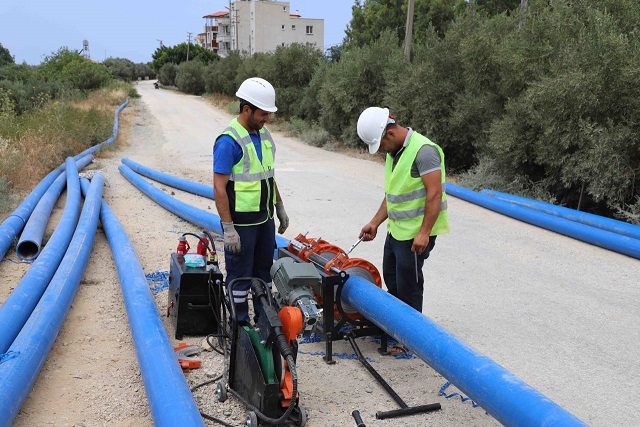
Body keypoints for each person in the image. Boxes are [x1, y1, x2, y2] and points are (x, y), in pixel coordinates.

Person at [357, 106, 449, 317]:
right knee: (392, 279)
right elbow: (393, 194)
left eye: (380, 145)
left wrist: (424, 232)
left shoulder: (424, 151)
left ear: (390, 133)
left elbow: (434, 194)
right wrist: (375, 222)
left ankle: (409, 341)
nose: (380, 150)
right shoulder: (394, 151)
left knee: (409, 287)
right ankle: (395, 325)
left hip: (416, 235)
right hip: (397, 231)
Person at [213, 77, 289, 323]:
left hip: (264, 221)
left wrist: (279, 206)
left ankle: (264, 322)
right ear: (247, 109)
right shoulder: (228, 142)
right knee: (239, 277)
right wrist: (228, 229)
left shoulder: (264, 135)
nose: (268, 118)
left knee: (262, 275)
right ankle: (240, 327)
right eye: (264, 113)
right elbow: (219, 187)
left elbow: (268, 174)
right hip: (241, 226)